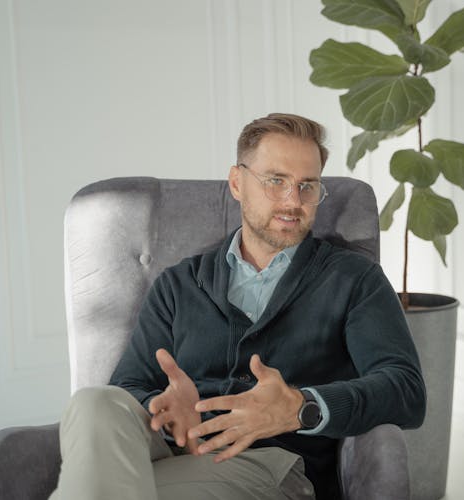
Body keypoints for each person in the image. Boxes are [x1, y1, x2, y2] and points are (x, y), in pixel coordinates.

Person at [49, 113, 426, 500]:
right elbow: (128, 385)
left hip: (271, 466)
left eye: (307, 186)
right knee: (94, 403)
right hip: (170, 453)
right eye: (276, 181)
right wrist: (160, 410)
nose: (292, 201)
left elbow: (406, 390)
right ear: (237, 183)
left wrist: (300, 407)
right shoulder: (179, 284)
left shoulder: (354, 279)